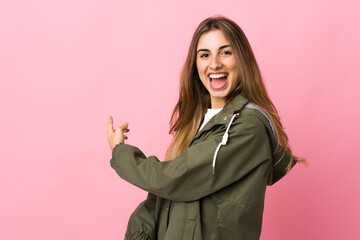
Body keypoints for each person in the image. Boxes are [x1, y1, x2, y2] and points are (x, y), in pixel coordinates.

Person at [107, 15, 306, 240]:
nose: (214, 64)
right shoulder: (197, 125)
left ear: (242, 60)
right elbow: (160, 200)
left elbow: (172, 179)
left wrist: (120, 152)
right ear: (196, 64)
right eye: (204, 55)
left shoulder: (247, 128)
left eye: (225, 52)